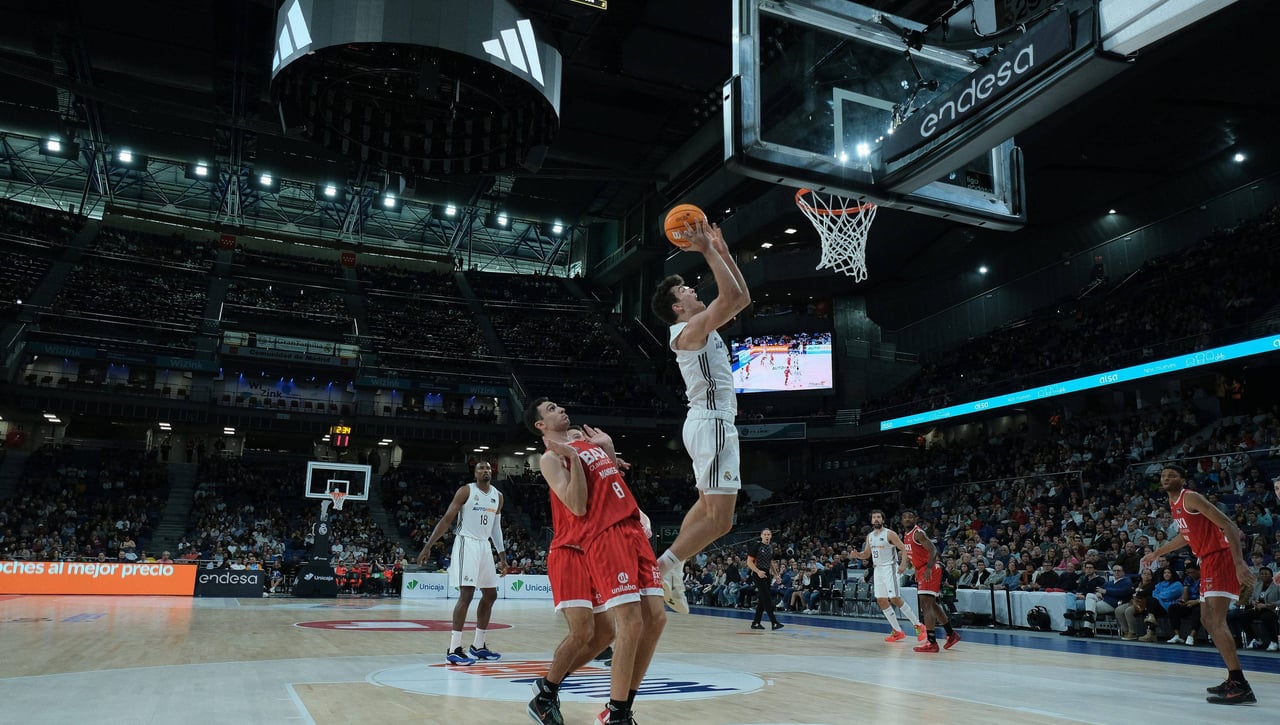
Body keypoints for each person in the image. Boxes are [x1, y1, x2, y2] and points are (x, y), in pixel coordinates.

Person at [528, 398, 666, 725]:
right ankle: (580, 701)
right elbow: (578, 506)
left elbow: (612, 489)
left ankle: (559, 691)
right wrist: (576, 458)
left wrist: (609, 451)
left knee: (642, 624)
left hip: (625, 528)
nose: (561, 408)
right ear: (540, 425)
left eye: (559, 406)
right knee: (589, 631)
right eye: (551, 408)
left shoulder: (586, 444)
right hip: (582, 544)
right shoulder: (552, 458)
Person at [649, 220, 751, 613]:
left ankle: (673, 563)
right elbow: (730, 298)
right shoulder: (687, 329)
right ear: (678, 306)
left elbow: (739, 298)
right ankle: (665, 566)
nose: (693, 289)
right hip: (712, 423)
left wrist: (722, 252)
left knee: (708, 509)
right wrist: (707, 250)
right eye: (685, 290)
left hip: (708, 424)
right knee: (722, 521)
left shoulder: (694, 327)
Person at [1141, 463, 1256, 705]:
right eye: (1163, 475)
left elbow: (1230, 526)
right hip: (1206, 559)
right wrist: (1157, 553)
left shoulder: (1190, 497)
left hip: (1220, 557)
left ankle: (1240, 684)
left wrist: (1239, 563)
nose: (1166, 478)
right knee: (1206, 620)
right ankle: (1234, 678)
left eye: (1172, 475)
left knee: (1215, 620)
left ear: (1182, 479)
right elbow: (1186, 536)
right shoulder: (1175, 505)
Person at [415, 461, 508, 666]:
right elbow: (448, 518)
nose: (485, 471)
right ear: (475, 474)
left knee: (490, 594)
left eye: (487, 468)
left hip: (484, 546)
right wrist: (428, 545)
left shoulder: (498, 496)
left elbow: (496, 528)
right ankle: (454, 649)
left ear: (492, 472)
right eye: (480, 468)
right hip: (467, 542)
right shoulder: (466, 491)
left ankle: (478, 646)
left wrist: (502, 555)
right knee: (467, 593)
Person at [851, 509, 924, 643]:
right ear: (871, 521)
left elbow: (904, 549)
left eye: (879, 517)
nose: (876, 519)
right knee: (881, 600)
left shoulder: (890, 534)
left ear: (883, 520)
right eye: (874, 517)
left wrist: (903, 564)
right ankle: (897, 631)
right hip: (878, 569)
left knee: (895, 598)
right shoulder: (870, 536)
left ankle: (918, 625)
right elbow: (866, 554)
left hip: (890, 567)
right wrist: (858, 555)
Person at [899, 510, 959, 653]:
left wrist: (928, 568)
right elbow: (916, 554)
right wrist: (916, 570)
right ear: (901, 520)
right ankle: (951, 634)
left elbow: (933, 550)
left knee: (926, 605)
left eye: (910, 517)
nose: (907, 519)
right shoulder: (906, 535)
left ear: (915, 519)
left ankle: (932, 642)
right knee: (932, 604)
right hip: (921, 568)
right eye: (905, 517)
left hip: (929, 568)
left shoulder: (918, 533)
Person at [746, 529, 782, 630]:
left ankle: (756, 623)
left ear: (771, 536)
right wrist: (758, 571)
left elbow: (771, 562)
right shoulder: (756, 546)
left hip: (767, 574)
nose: (767, 536)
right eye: (765, 534)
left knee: (763, 599)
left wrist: (776, 575)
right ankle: (774, 622)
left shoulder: (771, 547)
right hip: (758, 573)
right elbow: (749, 562)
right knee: (767, 598)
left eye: (768, 534)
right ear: (761, 536)